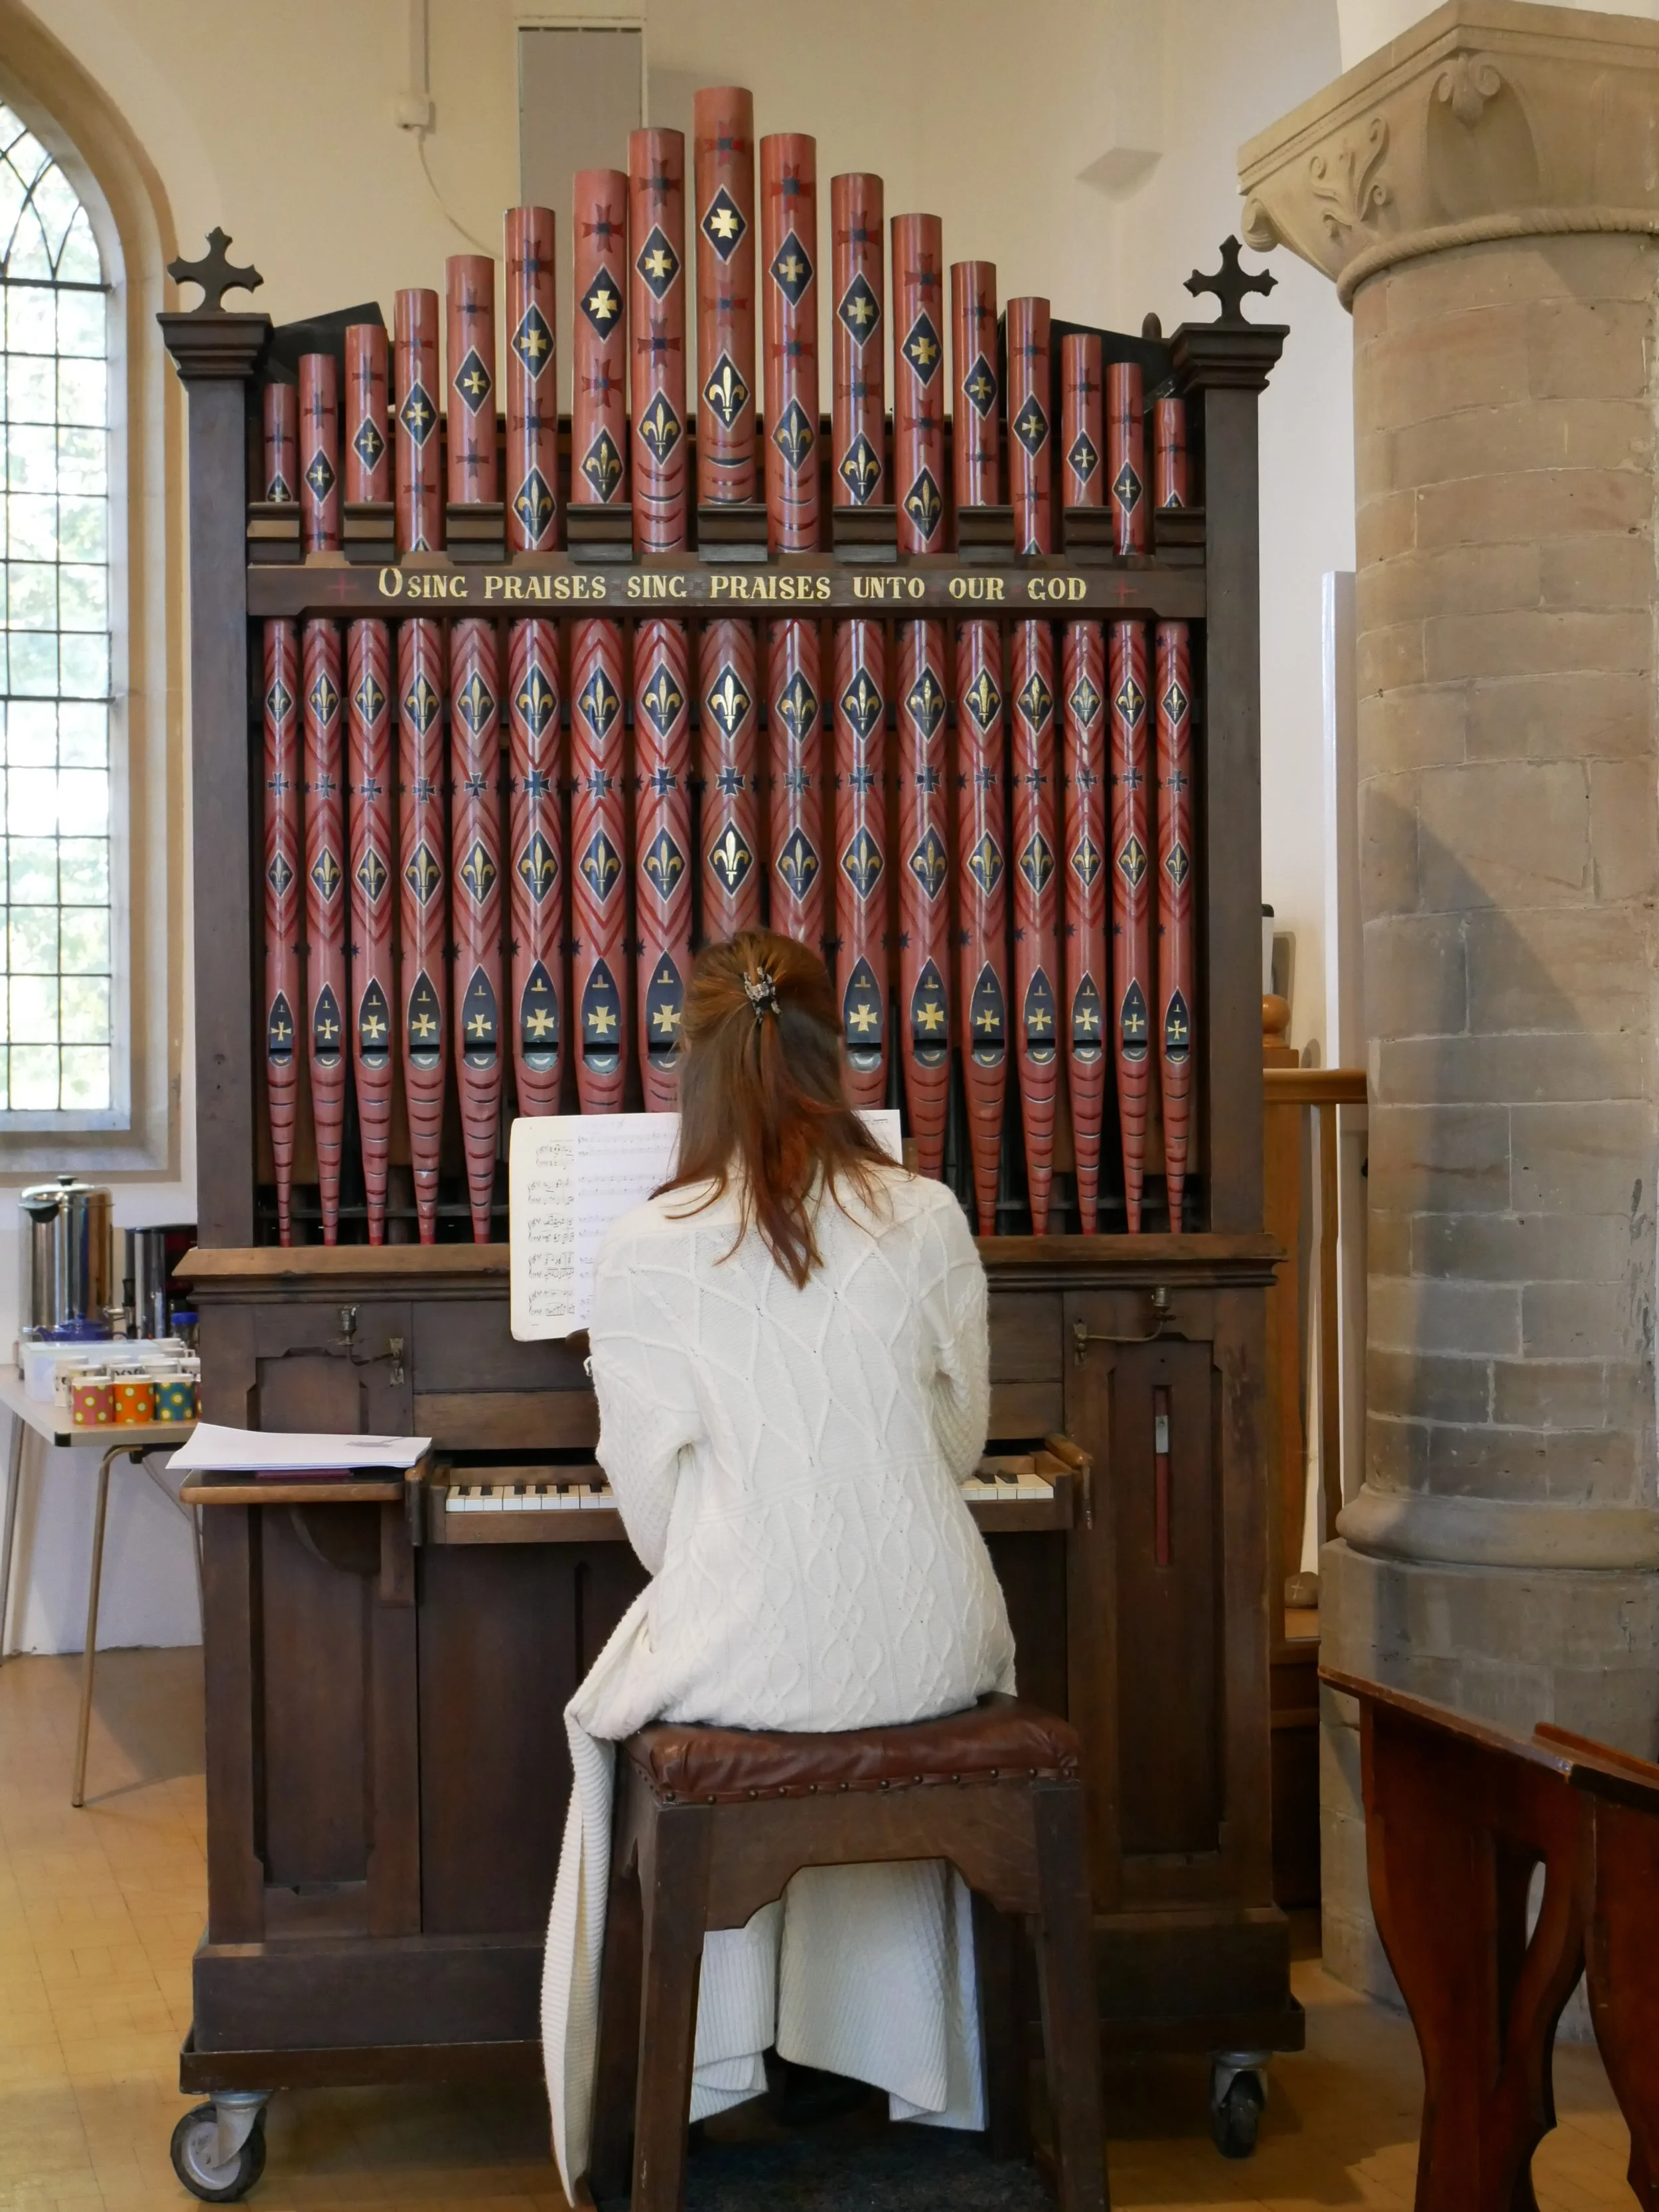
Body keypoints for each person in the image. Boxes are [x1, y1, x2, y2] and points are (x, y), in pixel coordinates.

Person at [540, 930, 1015, 2197]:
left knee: (663, 1682)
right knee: (807, 1648)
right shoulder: (929, 1215)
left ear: (691, 1065)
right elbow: (958, 1444)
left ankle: (693, 2078)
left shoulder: (647, 1246)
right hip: (933, 1638)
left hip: (756, 1640)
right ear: (838, 1050)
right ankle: (899, 2064)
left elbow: (651, 1519)